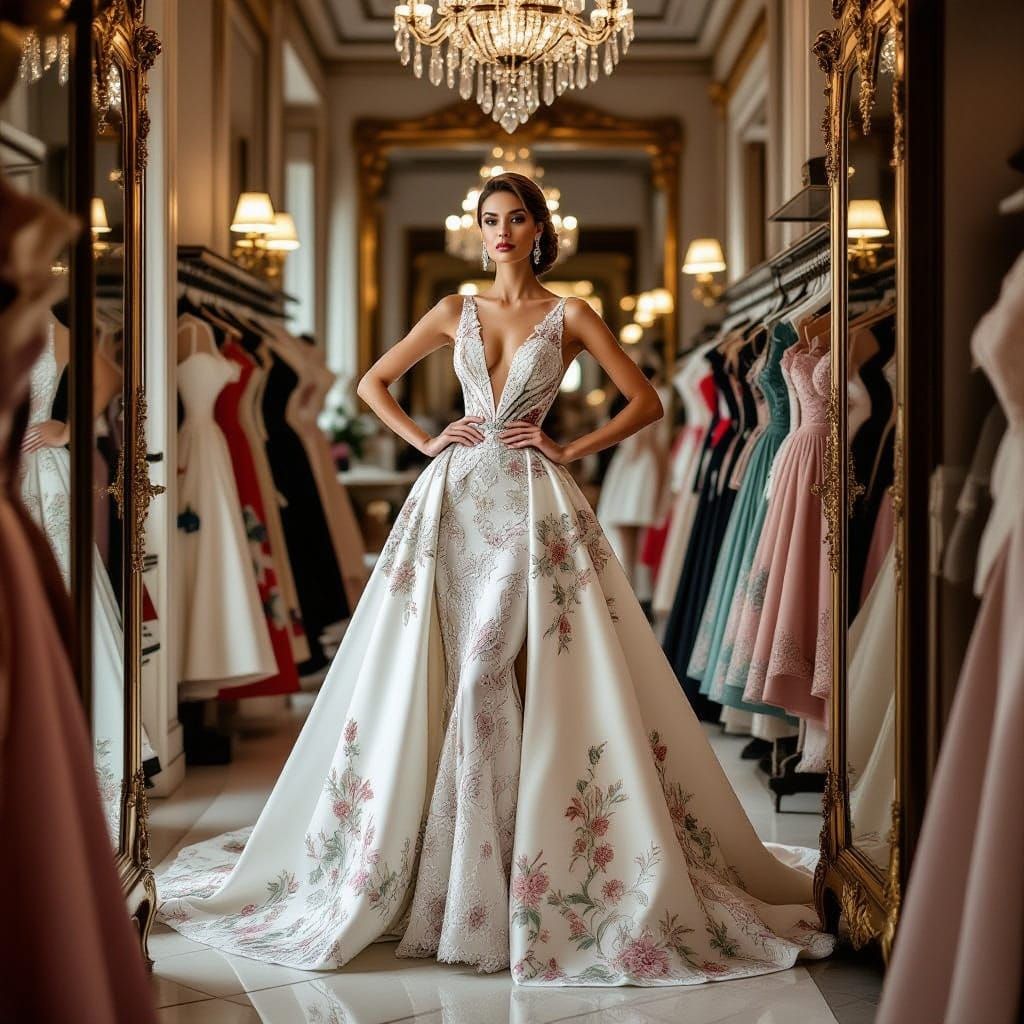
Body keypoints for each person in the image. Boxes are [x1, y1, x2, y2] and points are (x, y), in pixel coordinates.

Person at [157, 172, 833, 986]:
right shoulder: (455, 311)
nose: (502, 231)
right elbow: (374, 383)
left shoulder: (571, 313)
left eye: (515, 218)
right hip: (453, 502)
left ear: (540, 228)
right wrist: (425, 439)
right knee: (451, 675)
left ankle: (500, 886)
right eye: (489, 219)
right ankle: (454, 876)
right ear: (477, 230)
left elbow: (646, 401)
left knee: (490, 672)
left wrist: (569, 448)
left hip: (531, 502)